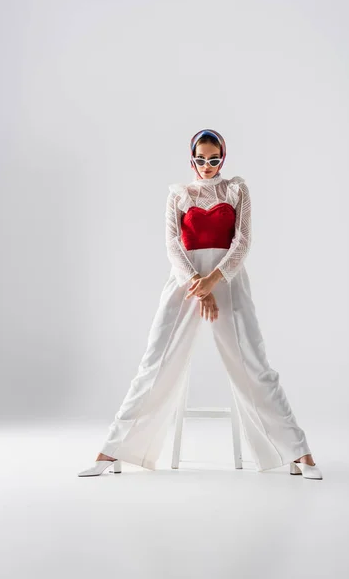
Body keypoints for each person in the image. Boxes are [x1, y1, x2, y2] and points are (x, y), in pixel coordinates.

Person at [78, 129, 323, 480]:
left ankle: (299, 453)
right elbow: (173, 245)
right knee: (154, 362)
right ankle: (112, 450)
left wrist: (214, 281)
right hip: (185, 284)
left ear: (222, 158)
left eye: (213, 159)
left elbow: (242, 243)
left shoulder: (237, 190)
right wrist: (200, 286)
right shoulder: (178, 195)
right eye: (200, 159)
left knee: (254, 363)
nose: (206, 166)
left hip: (229, 281)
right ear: (191, 158)